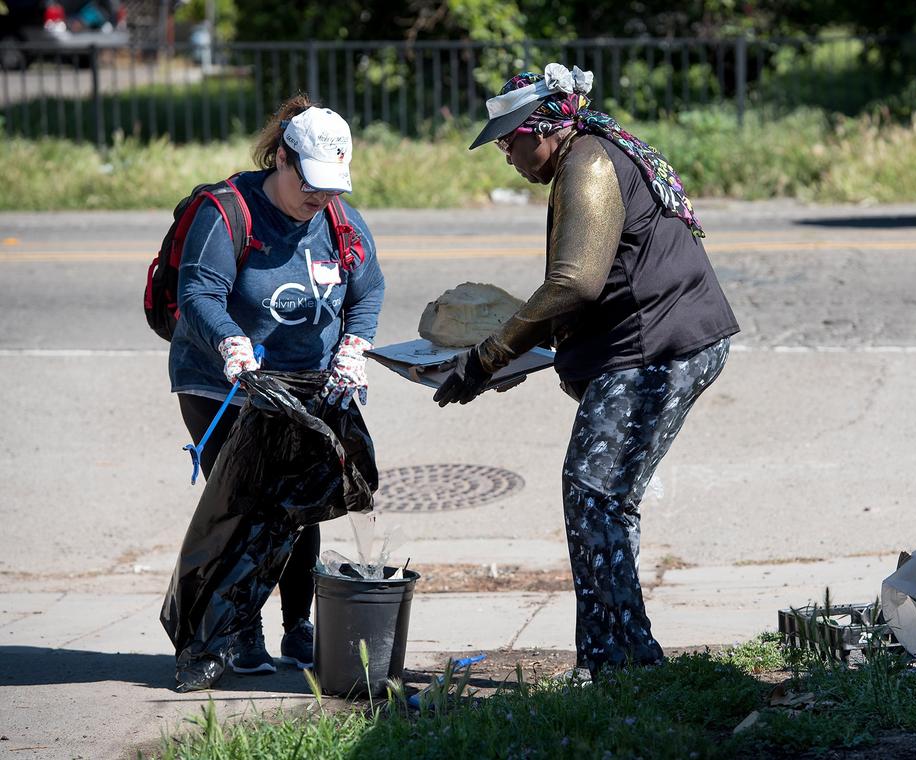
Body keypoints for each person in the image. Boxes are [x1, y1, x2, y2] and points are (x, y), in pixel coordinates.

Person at [435, 63, 739, 678]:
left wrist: (490, 354)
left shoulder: (590, 163)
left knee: (594, 494)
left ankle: (618, 662)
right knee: (603, 498)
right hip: (654, 342)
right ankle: (619, 658)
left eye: (510, 140)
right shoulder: (586, 154)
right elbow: (590, 284)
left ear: (545, 129)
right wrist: (526, 349)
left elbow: (574, 283)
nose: (506, 154)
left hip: (660, 347)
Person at [168, 95, 384, 690]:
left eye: (331, 187)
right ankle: (241, 631)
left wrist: (353, 348)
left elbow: (368, 289)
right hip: (223, 384)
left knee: (302, 502)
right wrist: (232, 344)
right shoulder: (228, 211)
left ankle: (297, 626)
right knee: (248, 503)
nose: (320, 199)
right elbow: (199, 295)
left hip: (306, 382)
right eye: (310, 184)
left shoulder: (337, 215)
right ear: (282, 161)